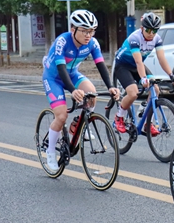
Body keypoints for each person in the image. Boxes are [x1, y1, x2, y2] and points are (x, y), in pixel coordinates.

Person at [42, 9, 120, 170]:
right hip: (54, 77)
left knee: (91, 94)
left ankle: (78, 124)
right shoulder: (62, 42)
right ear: (73, 29)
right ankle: (50, 152)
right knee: (62, 115)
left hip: (73, 74)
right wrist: (72, 90)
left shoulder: (92, 43)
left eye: (91, 31)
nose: (88, 35)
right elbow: (61, 69)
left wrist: (111, 86)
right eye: (84, 31)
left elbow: (101, 66)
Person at [112, 12, 174, 135]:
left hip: (138, 66)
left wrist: (171, 75)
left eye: (154, 31)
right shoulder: (135, 38)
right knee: (133, 93)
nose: (151, 34)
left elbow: (161, 59)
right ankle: (119, 117)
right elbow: (138, 61)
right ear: (142, 28)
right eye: (148, 30)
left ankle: (147, 121)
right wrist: (143, 78)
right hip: (123, 66)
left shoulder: (157, 39)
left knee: (156, 90)